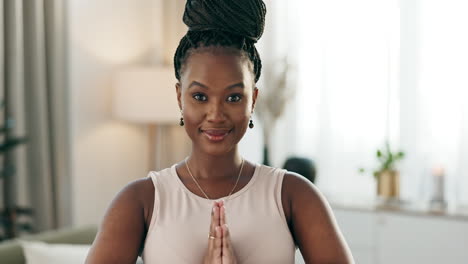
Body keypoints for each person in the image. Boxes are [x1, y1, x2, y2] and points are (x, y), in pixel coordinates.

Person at [85, 0, 354, 263]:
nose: (216, 114)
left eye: (234, 97)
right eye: (200, 96)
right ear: (180, 97)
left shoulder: (293, 196)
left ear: (254, 99)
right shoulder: (140, 201)